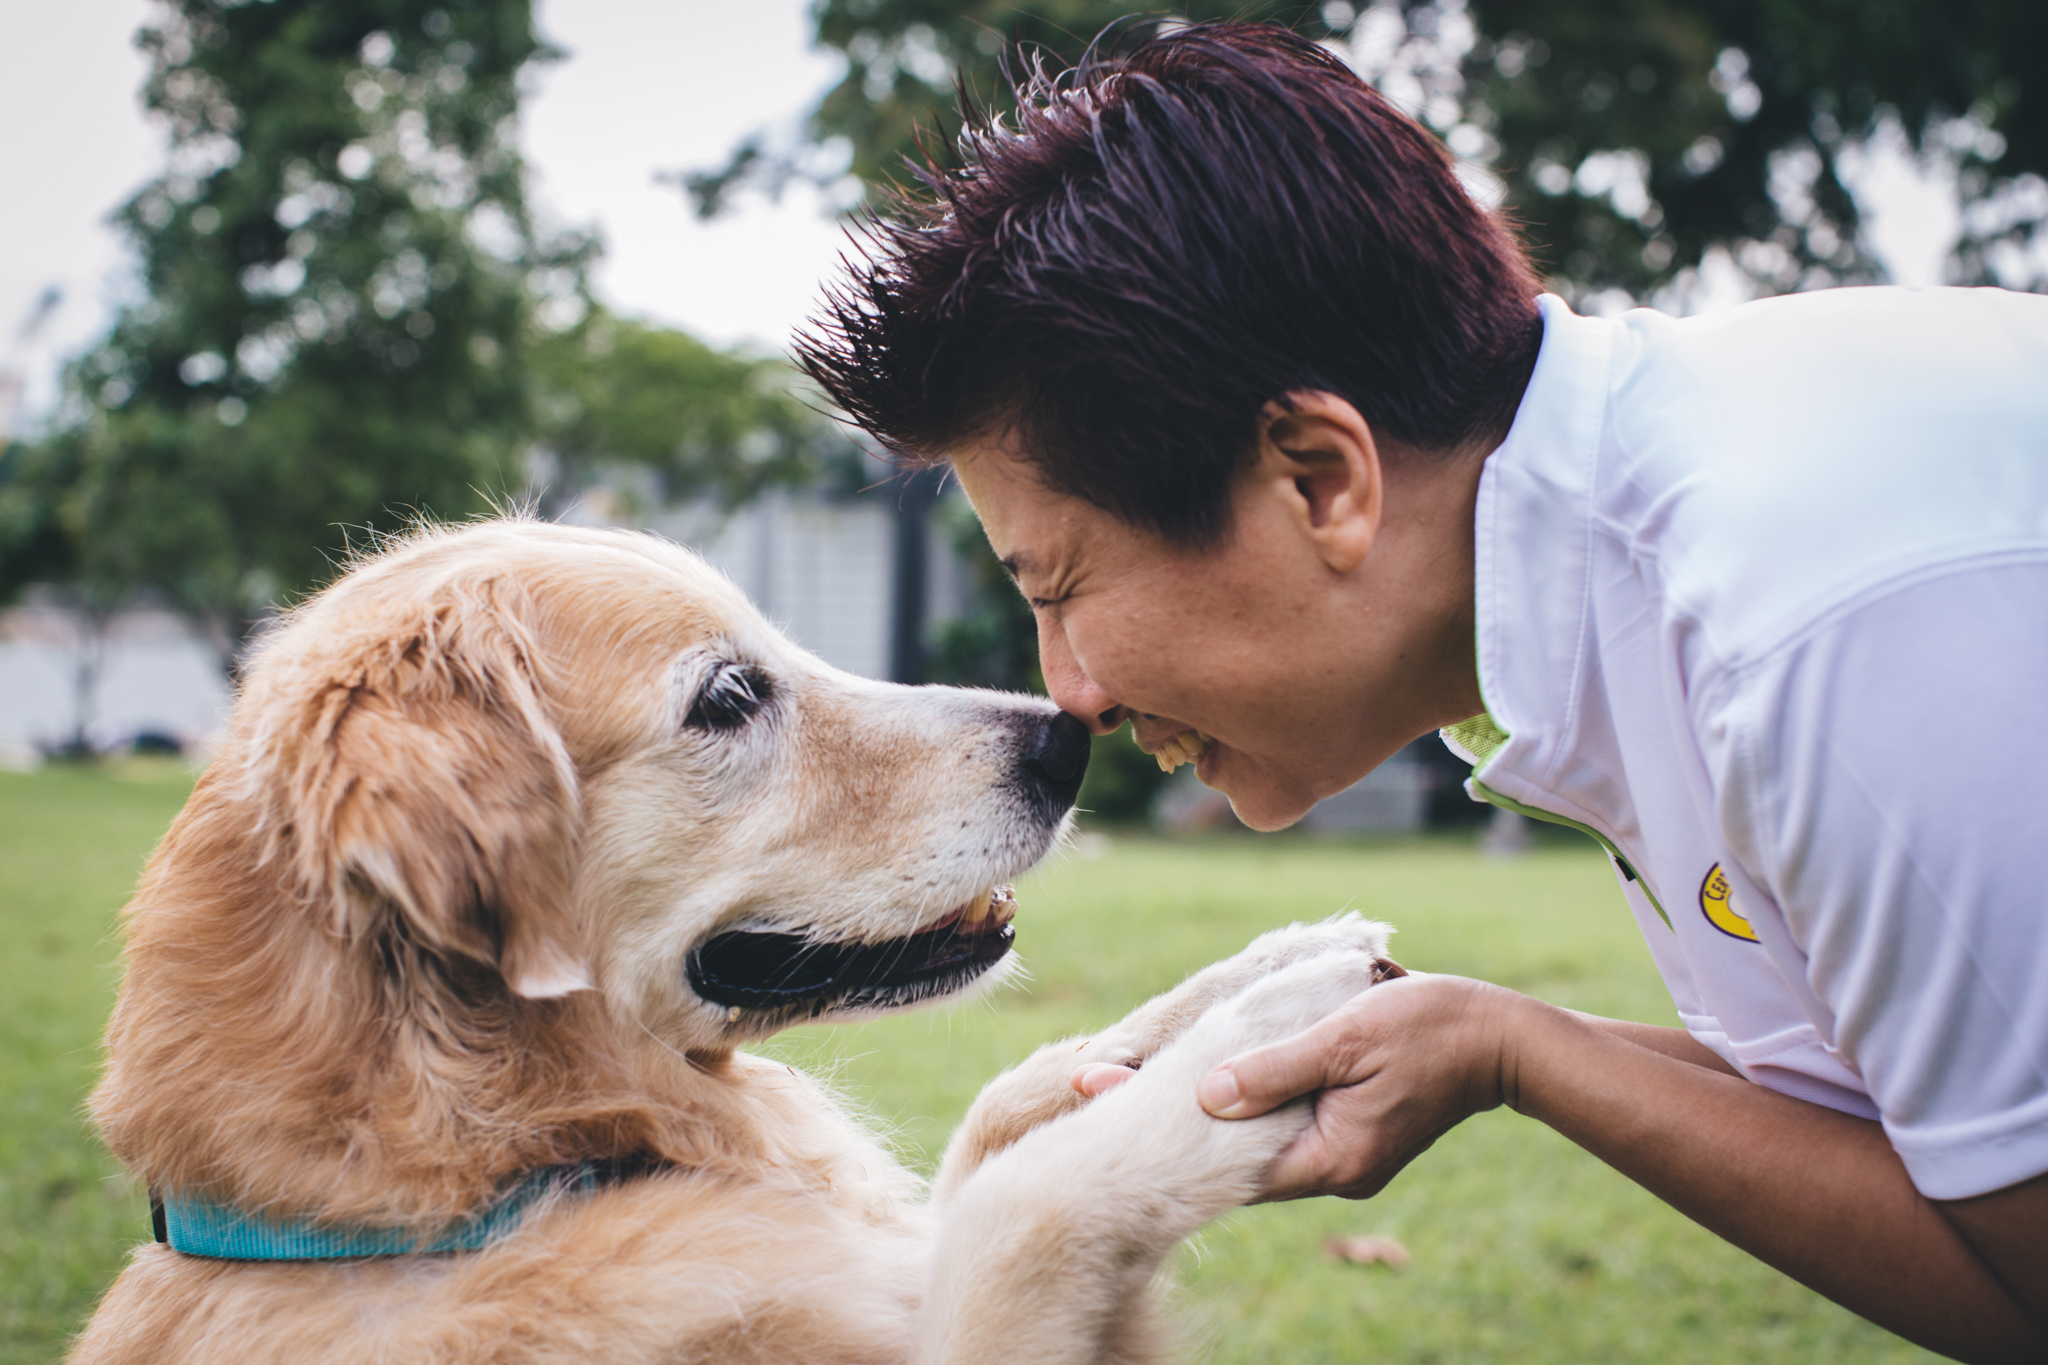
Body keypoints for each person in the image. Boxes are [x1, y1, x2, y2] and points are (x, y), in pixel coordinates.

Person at [797, 20, 2048, 1363]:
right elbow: (1897, 1126)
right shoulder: (1647, 565)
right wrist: (1491, 1034)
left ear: (1319, 479)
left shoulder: (1801, 620)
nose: (1072, 692)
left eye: (1057, 588)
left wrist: (1524, 1053)